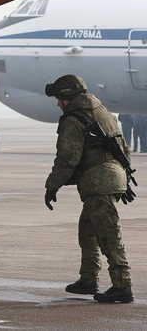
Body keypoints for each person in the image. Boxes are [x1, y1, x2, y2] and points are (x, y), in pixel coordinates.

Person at [43, 74, 133, 303]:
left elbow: (67, 159)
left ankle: (122, 285)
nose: (57, 104)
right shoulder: (103, 112)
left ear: (66, 98)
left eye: (58, 99)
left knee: (108, 234)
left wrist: (51, 186)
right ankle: (88, 278)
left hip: (98, 183)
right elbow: (124, 147)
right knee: (88, 230)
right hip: (114, 176)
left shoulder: (74, 119)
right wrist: (121, 177)